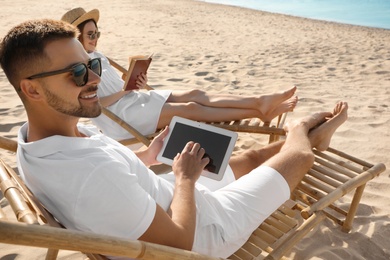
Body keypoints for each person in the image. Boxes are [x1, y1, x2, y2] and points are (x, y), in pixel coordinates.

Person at [0, 19, 348, 258]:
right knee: (299, 158)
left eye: (93, 66)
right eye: (77, 73)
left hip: (167, 200)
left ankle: (311, 138)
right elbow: (180, 245)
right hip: (207, 230)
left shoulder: (38, 140)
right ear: (31, 89)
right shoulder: (89, 177)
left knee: (254, 157)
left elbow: (110, 174)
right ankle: (302, 132)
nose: (92, 79)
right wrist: (184, 177)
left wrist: (148, 157)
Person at [60, 7, 298, 142]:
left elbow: (114, 87)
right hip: (122, 119)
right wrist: (126, 90)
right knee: (191, 109)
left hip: (133, 102)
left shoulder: (98, 55)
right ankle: (259, 111)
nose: (96, 38)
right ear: (77, 36)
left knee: (196, 93)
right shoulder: (78, 67)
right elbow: (92, 105)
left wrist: (137, 82)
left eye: (97, 33)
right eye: (90, 34)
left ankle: (259, 103)